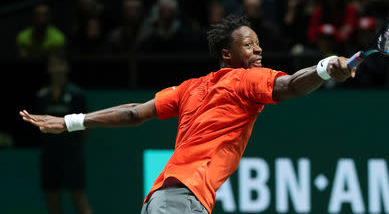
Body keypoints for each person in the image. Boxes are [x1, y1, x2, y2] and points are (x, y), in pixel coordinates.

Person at [20, 15, 356, 214]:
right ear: (228, 54)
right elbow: (292, 86)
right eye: (249, 45)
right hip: (181, 198)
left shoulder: (190, 87)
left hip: (167, 198)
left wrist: (69, 121)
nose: (259, 50)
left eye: (259, 44)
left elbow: (135, 113)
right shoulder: (247, 79)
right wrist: (325, 68)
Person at [33, 52, 92, 214]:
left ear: (66, 67)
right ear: (48, 69)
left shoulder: (76, 94)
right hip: (49, 155)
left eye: (59, 64)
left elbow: (87, 125)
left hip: (71, 155)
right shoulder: (42, 95)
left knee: (79, 198)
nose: (55, 68)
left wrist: (73, 144)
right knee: (52, 200)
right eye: (52, 65)